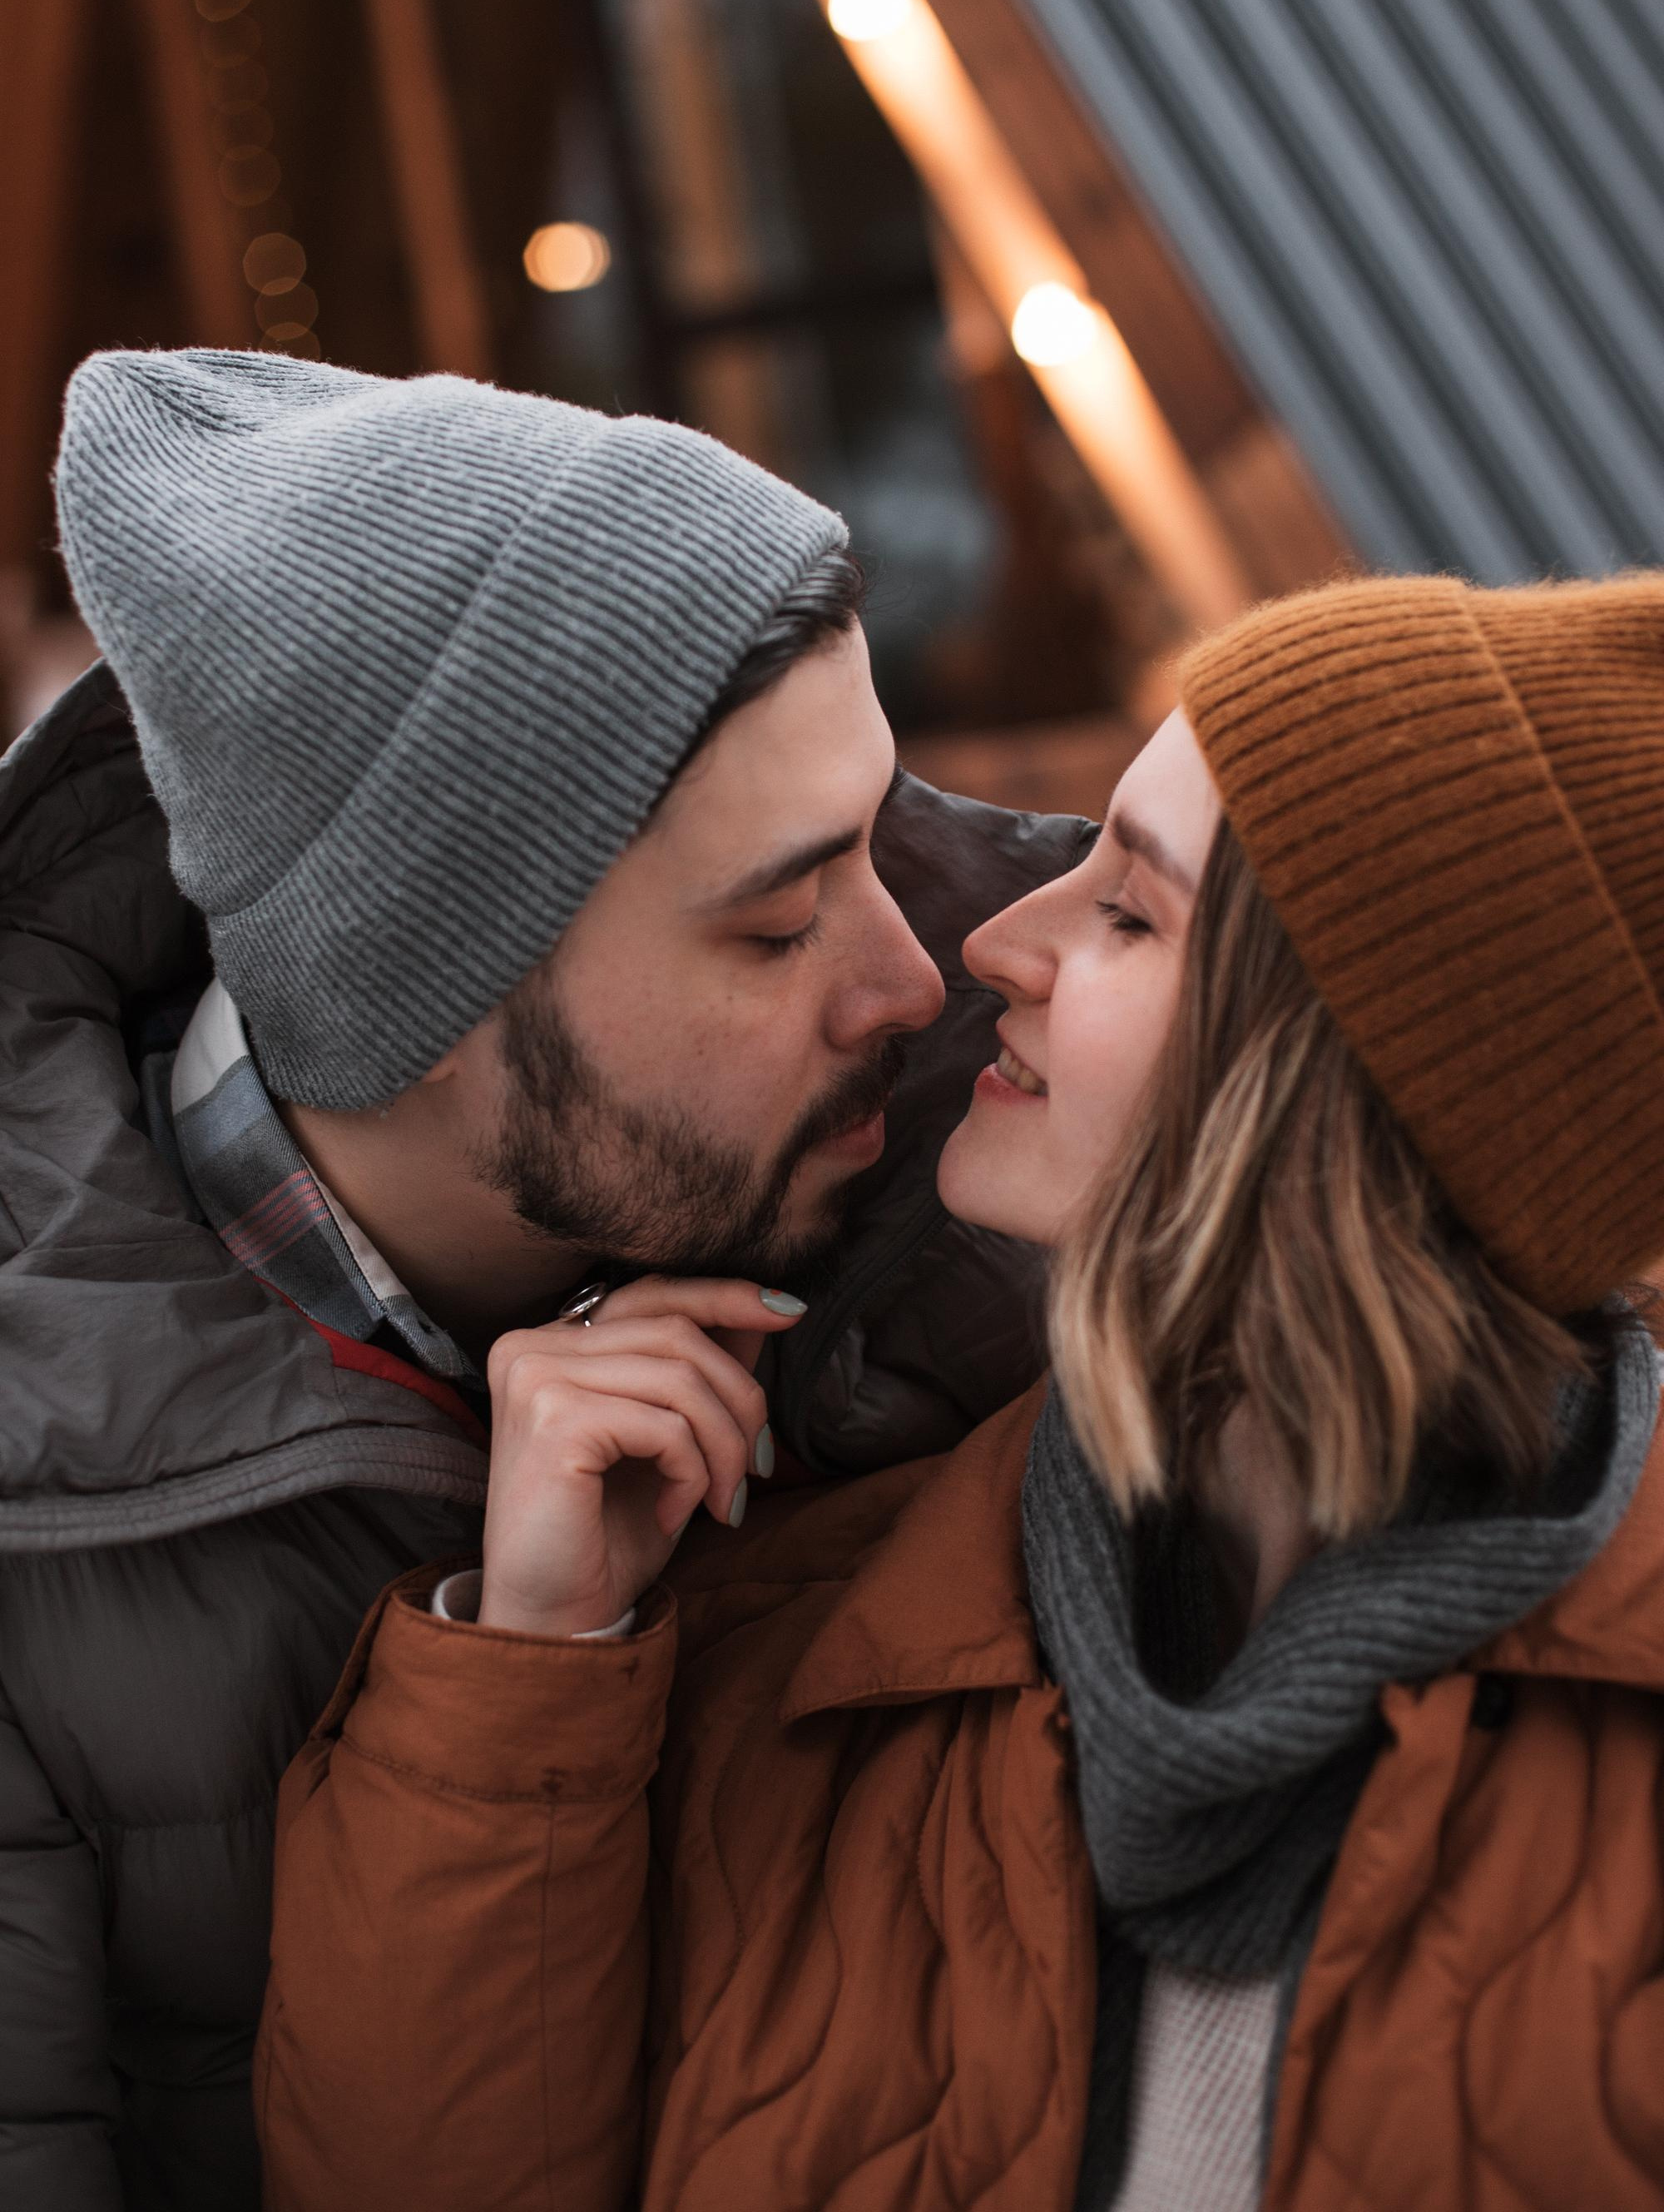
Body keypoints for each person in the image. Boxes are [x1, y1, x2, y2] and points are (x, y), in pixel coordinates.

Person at [260, 571, 1664, 2212]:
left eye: (1130, 913)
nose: (990, 944)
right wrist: (530, 1672)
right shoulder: (769, 1655)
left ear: (1346, 1101)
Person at [0, 348, 1086, 2211]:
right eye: (773, 922)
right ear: (411, 1013)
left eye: (878, 831)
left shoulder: (1036, 1130)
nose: (917, 981)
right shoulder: (38, 1568)